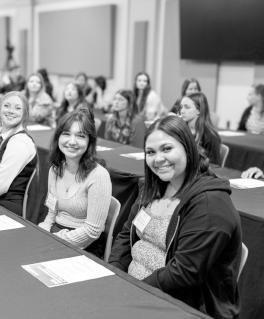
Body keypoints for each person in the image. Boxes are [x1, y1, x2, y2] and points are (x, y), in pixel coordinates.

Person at [109, 115, 241, 319]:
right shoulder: (152, 187)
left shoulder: (209, 203)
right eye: (150, 152)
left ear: (188, 147)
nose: (158, 159)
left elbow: (184, 272)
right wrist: (113, 275)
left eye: (167, 149)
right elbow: (126, 235)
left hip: (180, 305)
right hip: (136, 292)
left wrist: (132, 292)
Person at [38, 110, 112, 250]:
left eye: (80, 136)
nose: (72, 142)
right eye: (66, 134)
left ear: (90, 141)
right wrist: (43, 230)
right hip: (56, 234)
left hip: (84, 244)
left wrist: (55, 241)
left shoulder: (99, 176)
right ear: (58, 137)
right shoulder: (55, 169)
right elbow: (52, 212)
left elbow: (92, 231)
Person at [179, 92, 221, 164]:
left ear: (199, 111)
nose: (182, 111)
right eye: (181, 107)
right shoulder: (181, 130)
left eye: (187, 107)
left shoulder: (210, 136)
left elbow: (214, 166)